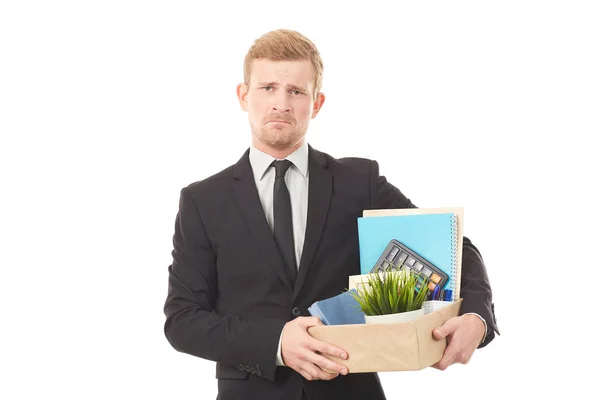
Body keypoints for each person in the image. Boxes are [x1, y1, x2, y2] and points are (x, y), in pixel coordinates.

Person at [163, 28, 499, 400]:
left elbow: (453, 246)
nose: (281, 103)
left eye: (296, 91)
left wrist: (476, 317)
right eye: (267, 88)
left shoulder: (359, 182)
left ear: (316, 103)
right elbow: (183, 320)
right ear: (244, 96)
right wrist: (275, 342)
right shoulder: (202, 200)